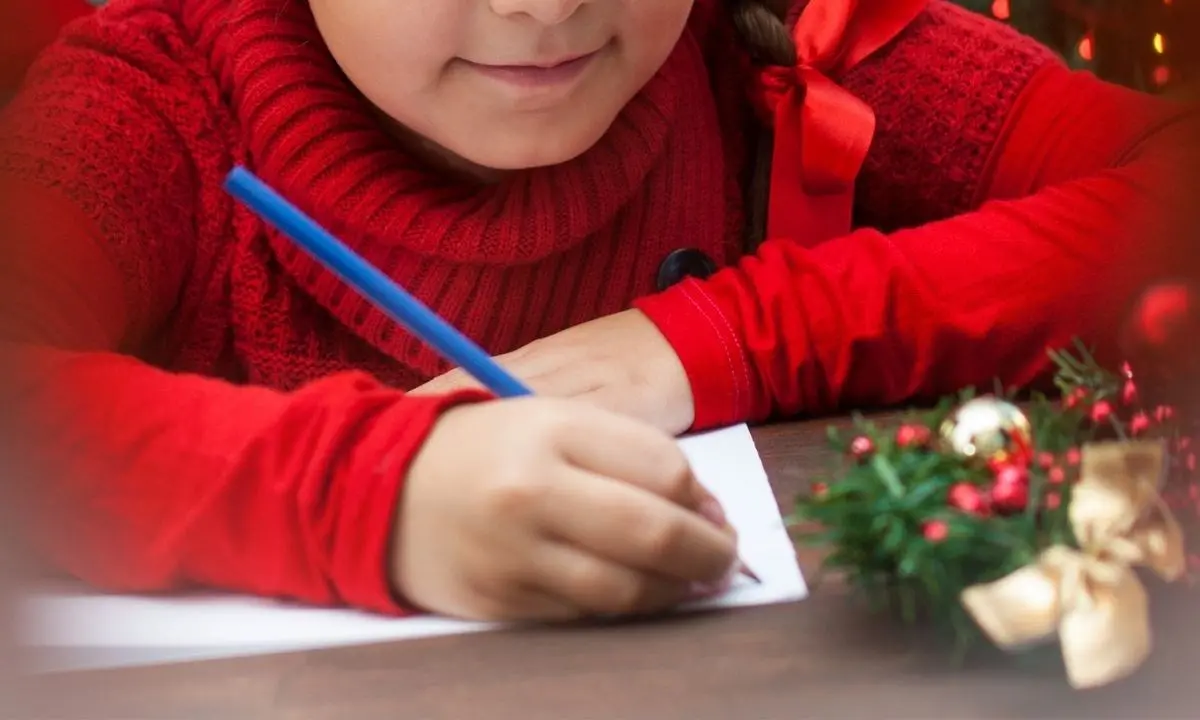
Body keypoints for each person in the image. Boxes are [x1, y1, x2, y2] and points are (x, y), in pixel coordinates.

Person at [0, 0, 1192, 623]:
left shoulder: (795, 49)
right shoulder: (151, 106)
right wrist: (376, 494)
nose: (542, 5)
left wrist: (724, 336)